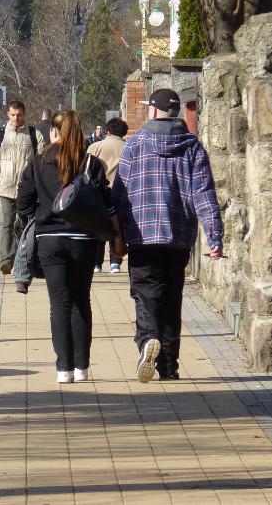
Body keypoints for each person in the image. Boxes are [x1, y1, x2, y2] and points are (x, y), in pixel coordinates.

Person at [112, 89, 223, 384]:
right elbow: (204, 194)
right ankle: (169, 366)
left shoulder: (135, 145)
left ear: (152, 110)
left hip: (142, 234)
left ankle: (148, 339)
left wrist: (115, 237)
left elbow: (120, 195)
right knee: (172, 300)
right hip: (178, 236)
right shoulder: (193, 148)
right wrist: (214, 237)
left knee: (146, 295)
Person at [17, 111, 126, 384]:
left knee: (59, 304)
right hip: (84, 240)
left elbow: (23, 203)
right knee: (81, 301)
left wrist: (41, 216)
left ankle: (63, 369)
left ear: (54, 132)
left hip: (49, 240)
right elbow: (107, 202)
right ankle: (82, 367)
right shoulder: (91, 164)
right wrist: (115, 236)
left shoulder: (38, 162)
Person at [0, 99, 45, 274]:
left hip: (28, 191)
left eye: (19, 115)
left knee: (26, 226)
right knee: (8, 224)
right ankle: (6, 260)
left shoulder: (34, 135)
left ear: (24, 114)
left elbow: (41, 162)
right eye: (12, 115)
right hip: (6, 189)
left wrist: (35, 182)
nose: (16, 118)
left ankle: (24, 259)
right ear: (8, 115)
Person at [88, 117, 128, 273]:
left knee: (98, 227)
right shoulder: (129, 147)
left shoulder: (94, 147)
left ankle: (97, 263)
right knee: (118, 226)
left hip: (99, 192)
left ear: (108, 130)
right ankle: (115, 262)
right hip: (121, 192)